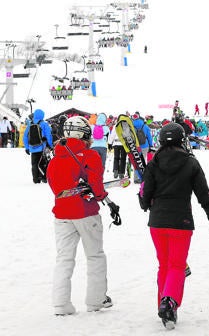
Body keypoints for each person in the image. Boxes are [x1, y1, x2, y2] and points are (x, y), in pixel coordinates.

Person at [139, 122, 209, 328]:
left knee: (165, 265)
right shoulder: (191, 163)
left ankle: (165, 305)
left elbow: (144, 199)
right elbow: (204, 195)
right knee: (177, 265)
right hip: (181, 222)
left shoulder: (154, 162)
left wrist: (141, 197)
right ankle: (169, 303)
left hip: (157, 223)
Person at [46, 115, 121, 315]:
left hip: (62, 213)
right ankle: (96, 300)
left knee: (64, 258)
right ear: (84, 134)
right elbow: (96, 186)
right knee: (95, 255)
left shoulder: (54, 159)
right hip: (86, 213)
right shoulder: (90, 156)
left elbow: (55, 187)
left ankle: (61, 304)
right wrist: (102, 196)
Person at [24, 109, 54, 183]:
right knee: (43, 162)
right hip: (42, 147)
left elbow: (25, 136)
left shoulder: (29, 124)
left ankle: (35, 179)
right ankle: (43, 177)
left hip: (32, 148)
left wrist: (27, 147)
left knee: (34, 164)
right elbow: (48, 135)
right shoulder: (44, 124)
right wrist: (50, 145)